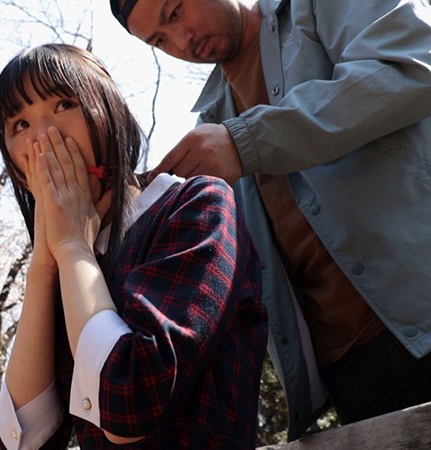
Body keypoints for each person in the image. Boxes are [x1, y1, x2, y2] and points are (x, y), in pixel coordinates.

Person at [110, 0, 431, 440]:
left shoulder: (317, 8)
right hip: (349, 372)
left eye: (175, 12)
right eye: (159, 40)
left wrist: (247, 142)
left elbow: (412, 66)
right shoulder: (212, 124)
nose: (182, 41)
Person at [0, 43, 267, 449]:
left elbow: (129, 403)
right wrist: (44, 267)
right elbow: (20, 443)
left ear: (110, 112)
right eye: (20, 125)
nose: (45, 138)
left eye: (64, 104)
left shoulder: (197, 206)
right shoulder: (63, 265)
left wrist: (72, 247)